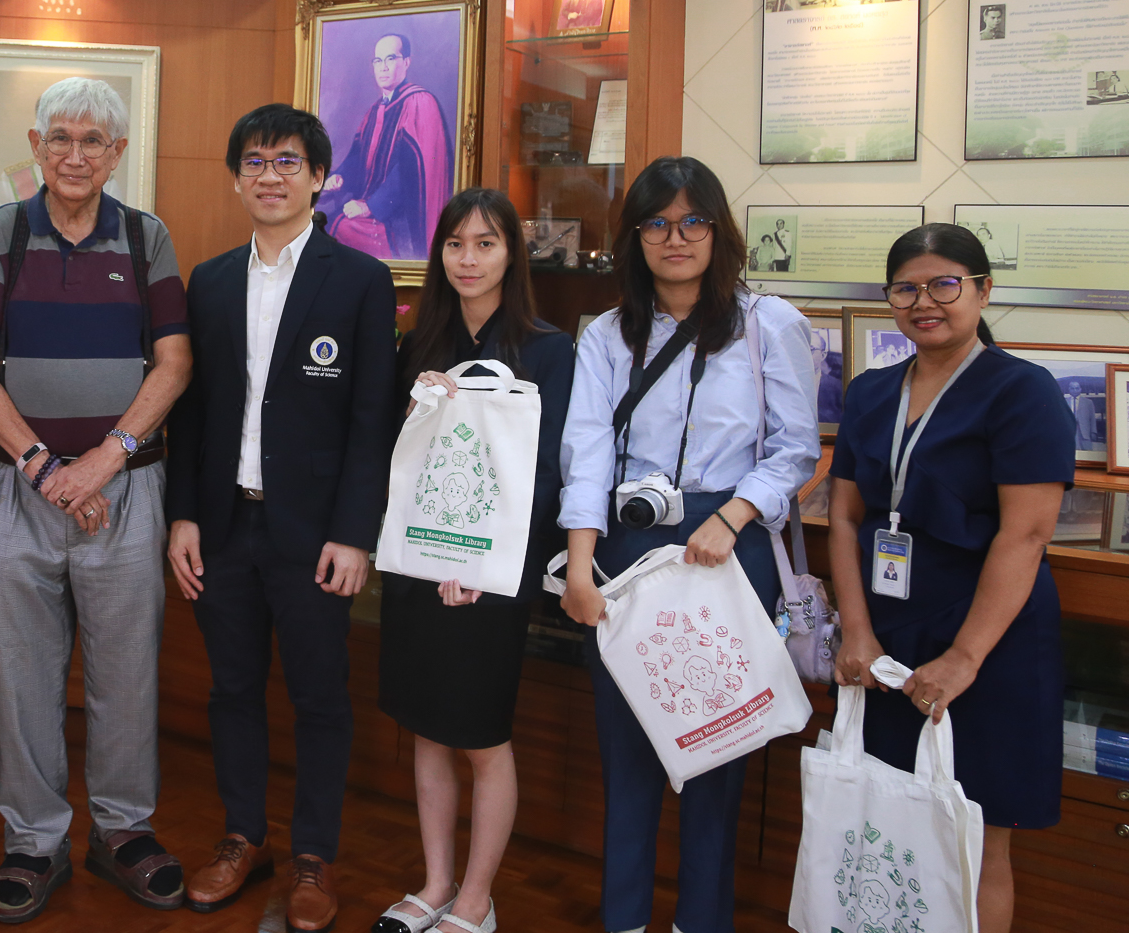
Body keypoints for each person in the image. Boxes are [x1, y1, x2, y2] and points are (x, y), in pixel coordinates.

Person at [0, 76, 194, 922]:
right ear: (37, 145)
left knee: (127, 674)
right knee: (24, 675)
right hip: (21, 491)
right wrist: (44, 466)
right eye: (60, 137)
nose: (76, 154)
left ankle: (123, 832)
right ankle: (34, 841)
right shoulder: (2, 232)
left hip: (126, 488)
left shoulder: (148, 237)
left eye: (94, 140)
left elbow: (174, 363)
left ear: (117, 152)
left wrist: (102, 461)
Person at [557, 156, 819, 933]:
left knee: (719, 749)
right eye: (657, 224)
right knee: (628, 751)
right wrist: (579, 568)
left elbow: (795, 450)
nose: (676, 238)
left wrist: (734, 515)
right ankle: (625, 920)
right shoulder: (607, 334)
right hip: (625, 550)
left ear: (718, 229)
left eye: (693, 221)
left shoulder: (769, 324)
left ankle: (701, 921)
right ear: (635, 236)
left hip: (726, 550)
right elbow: (586, 453)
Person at [167, 104, 397, 932]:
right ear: (237, 178)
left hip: (316, 535)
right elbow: (192, 412)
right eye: (255, 162)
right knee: (232, 689)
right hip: (225, 524)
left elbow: (373, 418)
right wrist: (184, 516)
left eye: (288, 161)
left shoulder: (360, 279)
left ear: (319, 177)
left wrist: (355, 532)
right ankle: (243, 837)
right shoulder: (211, 280)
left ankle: (313, 856)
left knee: (319, 697)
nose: (270, 176)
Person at [827, 224, 1073, 933]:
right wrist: (857, 631)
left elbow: (1026, 534)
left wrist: (965, 658)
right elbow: (844, 517)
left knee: (975, 838)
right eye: (905, 288)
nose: (924, 302)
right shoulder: (870, 391)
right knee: (886, 825)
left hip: (989, 640)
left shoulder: (1022, 391)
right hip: (888, 639)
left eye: (944, 284)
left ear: (982, 290)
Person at [373, 187, 573, 933]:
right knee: (427, 729)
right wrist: (413, 410)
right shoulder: (419, 344)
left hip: (490, 578)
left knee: (483, 737)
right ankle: (434, 884)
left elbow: (547, 475)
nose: (468, 259)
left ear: (511, 253)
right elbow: (397, 461)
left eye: (485, 243)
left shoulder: (549, 349)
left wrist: (487, 570)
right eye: (455, 244)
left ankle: (477, 900)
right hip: (421, 567)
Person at [319, 32, 454, 261]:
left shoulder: (420, 103)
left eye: (390, 58)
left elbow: (410, 172)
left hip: (402, 220)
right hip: (373, 207)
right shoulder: (375, 111)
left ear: (406, 62)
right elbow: (358, 158)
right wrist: (339, 177)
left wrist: (371, 206)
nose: (383, 67)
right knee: (327, 226)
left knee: (337, 230)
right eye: (377, 60)